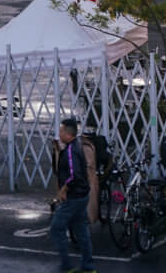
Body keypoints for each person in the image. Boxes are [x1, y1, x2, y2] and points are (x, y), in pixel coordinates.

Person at [50, 117, 95, 272]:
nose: (59, 134)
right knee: (81, 230)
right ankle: (88, 266)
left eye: (61, 131)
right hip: (82, 196)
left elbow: (73, 174)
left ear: (68, 134)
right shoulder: (77, 146)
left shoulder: (71, 150)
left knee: (57, 227)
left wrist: (63, 190)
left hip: (74, 197)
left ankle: (66, 266)